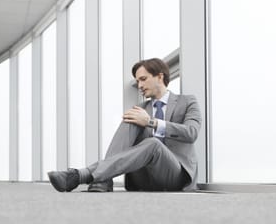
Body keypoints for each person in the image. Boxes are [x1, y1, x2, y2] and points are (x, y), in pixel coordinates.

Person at [48, 58, 201, 193]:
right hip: (144, 177)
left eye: (143, 79)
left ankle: (83, 175)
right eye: (137, 81)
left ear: (160, 77)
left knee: (152, 143)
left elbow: (191, 132)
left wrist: (151, 122)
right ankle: (103, 179)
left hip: (175, 176)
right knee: (131, 117)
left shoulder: (187, 101)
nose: (139, 85)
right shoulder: (141, 107)